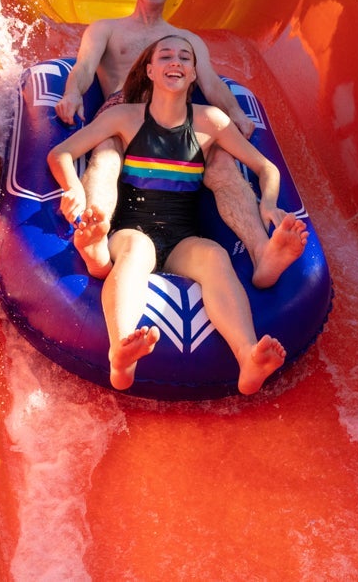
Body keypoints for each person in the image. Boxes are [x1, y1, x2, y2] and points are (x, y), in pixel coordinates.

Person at [48, 35, 300, 394]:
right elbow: (60, 153)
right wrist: (72, 186)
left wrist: (269, 202)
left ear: (194, 73)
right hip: (131, 228)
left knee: (214, 256)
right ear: (150, 70)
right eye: (165, 55)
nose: (175, 61)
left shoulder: (210, 121)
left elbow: (266, 169)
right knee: (135, 253)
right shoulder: (125, 117)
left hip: (183, 235)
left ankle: (247, 358)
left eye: (185, 57)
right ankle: (122, 355)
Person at [54, 0, 306, 288]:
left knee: (220, 163)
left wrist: (235, 113)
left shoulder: (187, 41)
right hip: (123, 110)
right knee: (108, 153)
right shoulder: (106, 29)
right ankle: (94, 231)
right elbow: (83, 67)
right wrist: (72, 93)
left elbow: (212, 83)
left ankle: (264, 252)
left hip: (179, 122)